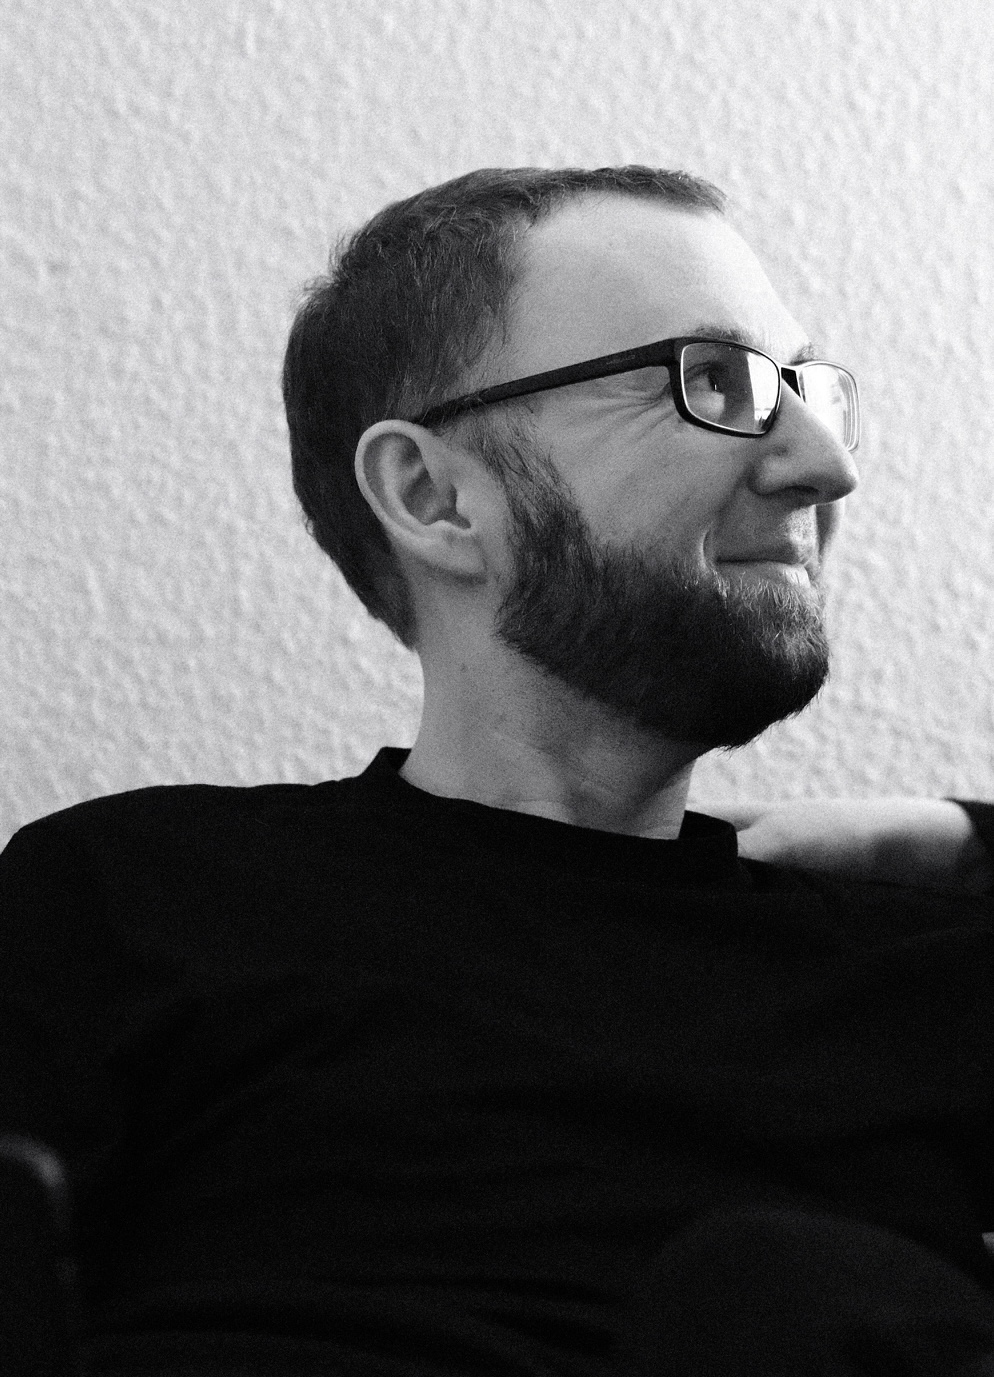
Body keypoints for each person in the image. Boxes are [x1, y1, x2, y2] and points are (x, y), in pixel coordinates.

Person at [1, 166, 992, 1376]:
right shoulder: (132, 894)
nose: (824, 463)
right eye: (718, 383)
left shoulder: (921, 970)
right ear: (434, 497)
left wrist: (965, 840)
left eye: (811, 390)